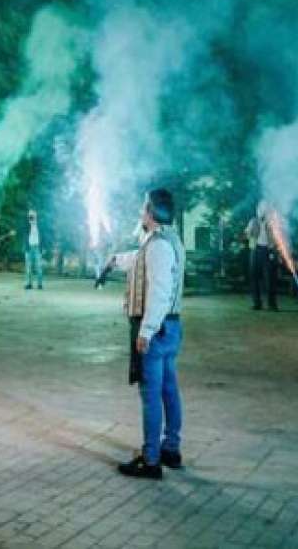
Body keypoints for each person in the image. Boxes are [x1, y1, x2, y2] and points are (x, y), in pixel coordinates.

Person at [103, 189, 185, 480]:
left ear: (152, 212)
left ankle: (151, 460)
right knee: (167, 389)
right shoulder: (163, 239)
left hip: (157, 328)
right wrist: (114, 260)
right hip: (170, 327)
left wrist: (146, 330)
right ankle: (170, 449)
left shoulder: (159, 245)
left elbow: (160, 291)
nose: (140, 212)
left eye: (143, 208)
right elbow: (139, 260)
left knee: (150, 393)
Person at [246, 200, 279, 311]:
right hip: (255, 250)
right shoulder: (253, 221)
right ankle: (257, 303)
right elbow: (247, 234)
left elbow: (277, 238)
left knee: (270, 278)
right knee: (254, 277)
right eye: (261, 209)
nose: (262, 211)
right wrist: (249, 232)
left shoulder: (273, 223)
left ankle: (272, 304)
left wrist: (274, 250)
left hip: (268, 251)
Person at [24, 209, 43, 290]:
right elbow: (20, 231)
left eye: (32, 215)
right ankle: (29, 284)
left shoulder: (40, 225)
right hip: (29, 248)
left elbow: (44, 237)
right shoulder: (26, 225)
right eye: (30, 215)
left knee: (39, 267)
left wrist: (43, 248)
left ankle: (39, 284)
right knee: (28, 267)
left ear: (36, 215)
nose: (31, 216)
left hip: (37, 248)